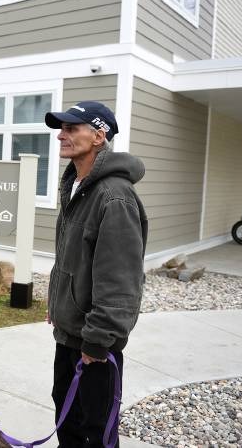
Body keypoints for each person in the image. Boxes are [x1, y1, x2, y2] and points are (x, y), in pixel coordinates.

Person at [43, 101, 148, 447]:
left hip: (95, 346)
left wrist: (98, 340)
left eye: (72, 129)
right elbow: (72, 259)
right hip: (70, 334)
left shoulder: (115, 197)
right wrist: (58, 305)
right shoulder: (78, 186)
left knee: (96, 432)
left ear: (99, 136)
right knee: (67, 421)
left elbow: (120, 282)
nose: (61, 135)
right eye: (62, 129)